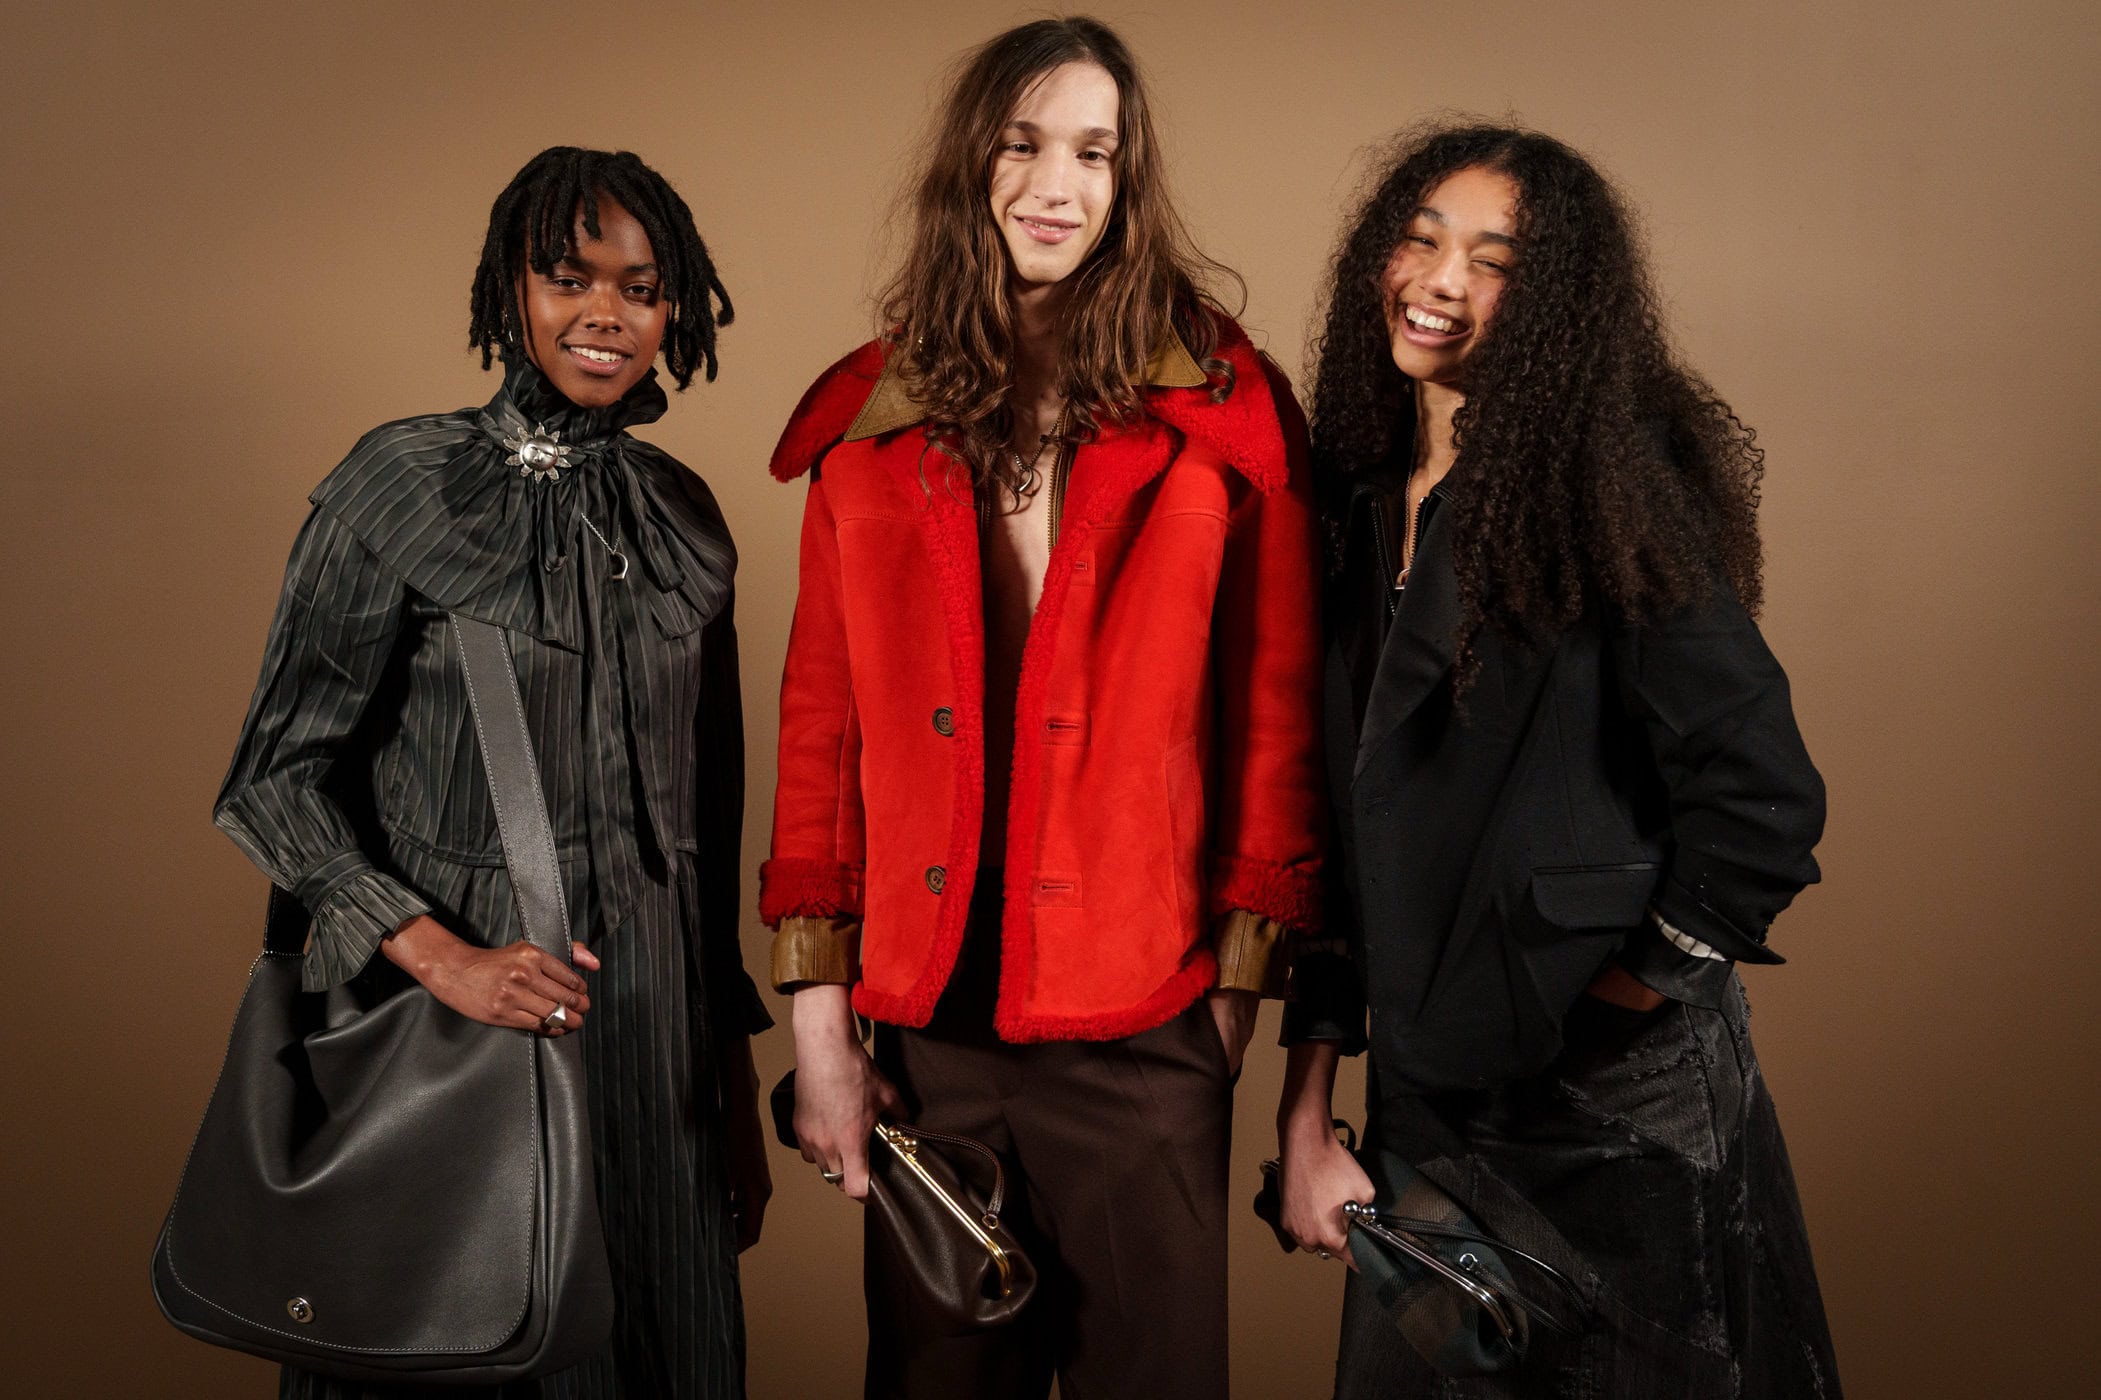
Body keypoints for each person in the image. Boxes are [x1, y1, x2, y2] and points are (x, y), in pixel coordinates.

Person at [759, 17, 1325, 1399]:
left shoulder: (1224, 414)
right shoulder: (868, 427)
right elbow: (820, 737)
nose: (1055, 187)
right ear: (972, 164)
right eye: (1021, 146)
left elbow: (1275, 721)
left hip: (1146, 1020)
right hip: (928, 1031)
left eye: (1093, 153)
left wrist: (1230, 1008)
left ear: (1128, 182)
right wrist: (822, 1035)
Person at [1274, 123, 1842, 1398]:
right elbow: (1345, 835)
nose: (1440, 279)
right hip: (1430, 1103)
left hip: (1615, 1110)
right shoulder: (1356, 498)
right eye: (1420, 239)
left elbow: (1762, 799)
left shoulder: (1604, 492)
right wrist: (1308, 1102)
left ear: (1555, 307)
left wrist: (1621, 996)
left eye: (1494, 262)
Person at [213, 146, 773, 1400]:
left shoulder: (683, 514)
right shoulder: (400, 484)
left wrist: (728, 1083)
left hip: (658, 1057)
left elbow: (706, 819)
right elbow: (274, 778)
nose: (606, 314)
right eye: (569, 278)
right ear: (509, 290)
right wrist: (445, 959)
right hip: (458, 1041)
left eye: (641, 288)